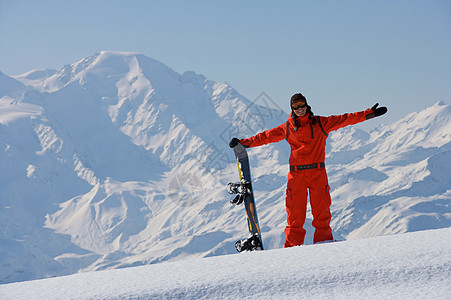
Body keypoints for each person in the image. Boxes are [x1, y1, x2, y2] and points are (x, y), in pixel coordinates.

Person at [229, 93, 387, 247]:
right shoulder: (288, 127)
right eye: (296, 106)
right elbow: (266, 137)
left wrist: (369, 114)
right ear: (292, 108)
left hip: (318, 173)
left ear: (306, 105)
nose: (299, 109)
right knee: (295, 217)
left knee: (322, 214)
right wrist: (244, 143)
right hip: (296, 176)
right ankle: (292, 249)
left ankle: (324, 244)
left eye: (302, 105)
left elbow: (345, 119)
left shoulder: (320, 123)